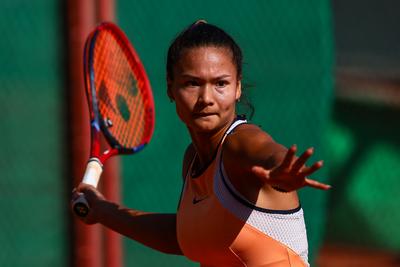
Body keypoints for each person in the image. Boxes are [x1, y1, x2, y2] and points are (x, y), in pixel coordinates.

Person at [72, 20, 330, 267]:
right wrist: (102, 210)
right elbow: (184, 236)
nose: (206, 98)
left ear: (237, 88)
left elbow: (269, 153)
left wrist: (281, 173)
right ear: (170, 88)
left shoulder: (241, 143)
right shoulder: (193, 160)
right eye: (192, 83)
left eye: (221, 83)